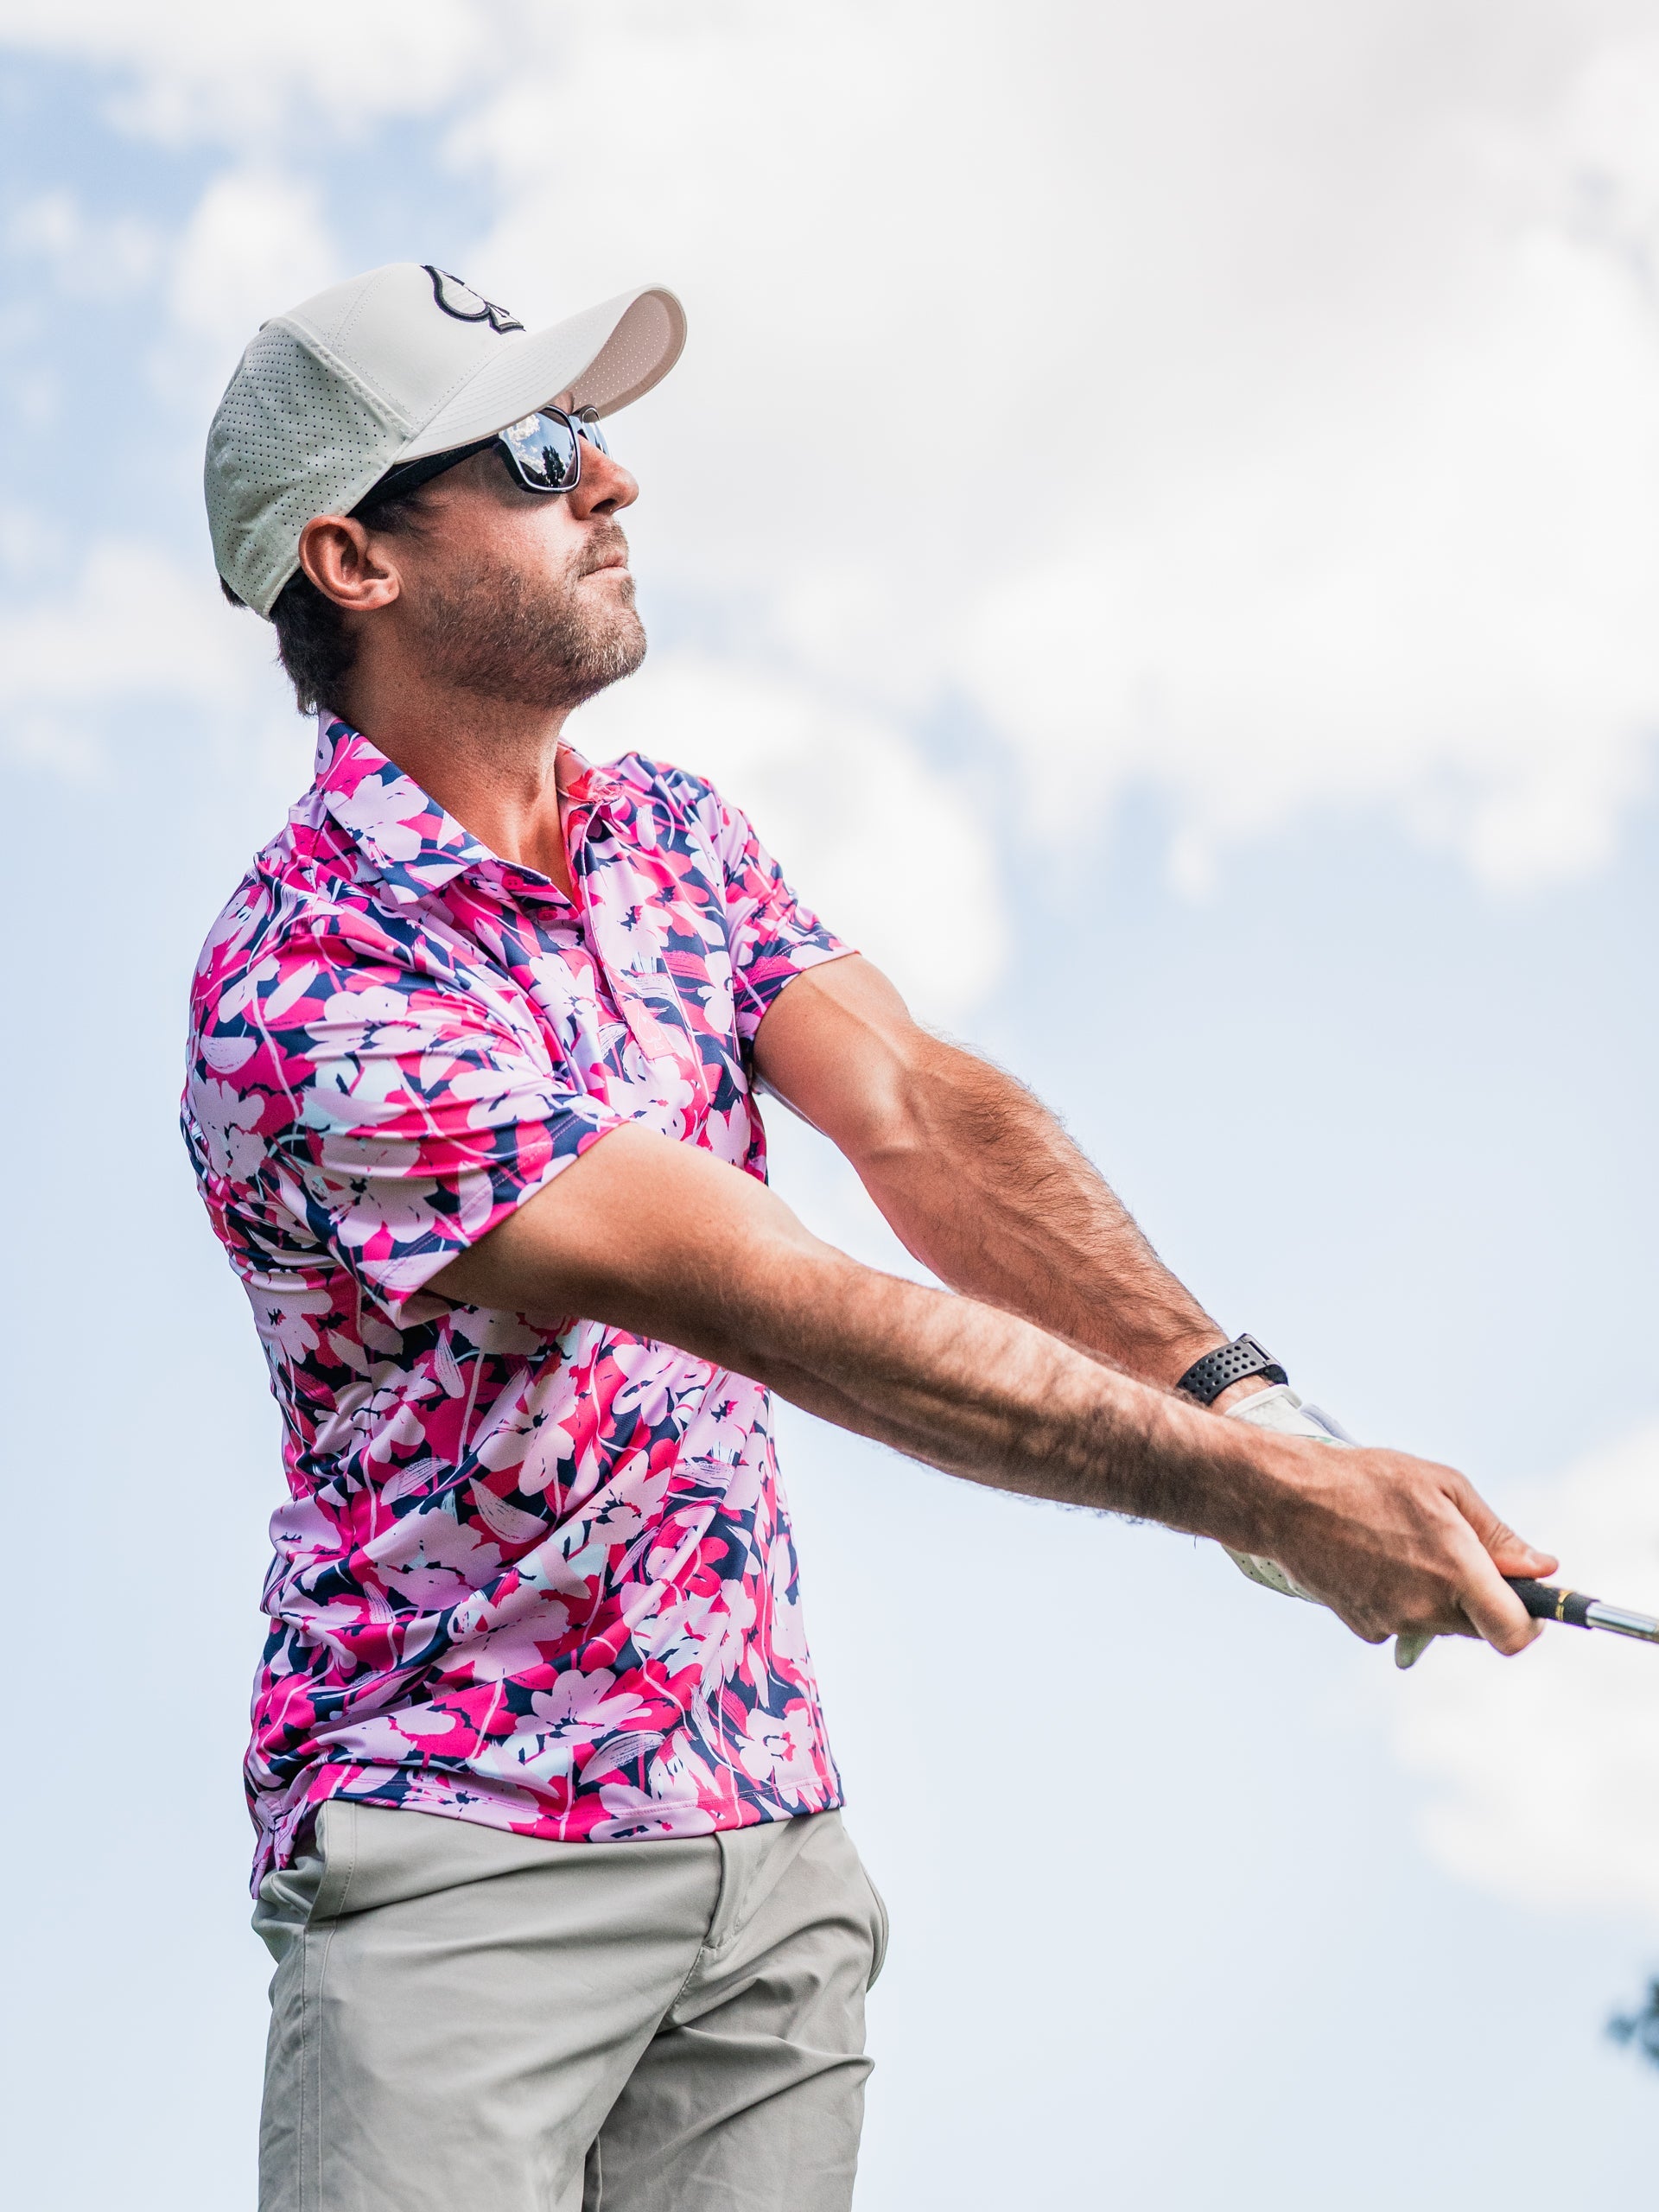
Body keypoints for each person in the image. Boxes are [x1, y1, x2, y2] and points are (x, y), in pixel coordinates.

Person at [185, 263, 1554, 2212]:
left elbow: (916, 1110)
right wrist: (1267, 1497)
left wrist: (1253, 1406)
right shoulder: (308, 986)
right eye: (543, 452)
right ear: (354, 557)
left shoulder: (669, 833)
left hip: (768, 1848)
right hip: (461, 1865)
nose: (615, 483)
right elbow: (772, 1295)